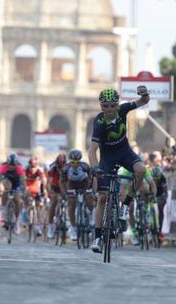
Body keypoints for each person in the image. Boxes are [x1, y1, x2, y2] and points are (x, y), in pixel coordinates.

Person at [88, 85, 150, 253]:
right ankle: (98, 237)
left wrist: (144, 93)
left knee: (141, 170)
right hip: (107, 158)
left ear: (117, 105)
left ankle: (126, 204)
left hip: (125, 153)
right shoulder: (99, 122)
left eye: (112, 105)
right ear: (101, 106)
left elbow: (143, 101)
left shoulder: (123, 110)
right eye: (105, 106)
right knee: (102, 198)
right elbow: (92, 149)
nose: (109, 109)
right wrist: (95, 167)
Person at [60, 149, 94, 241]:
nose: (75, 164)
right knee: (71, 202)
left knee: (89, 198)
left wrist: (91, 190)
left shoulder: (85, 166)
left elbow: (92, 179)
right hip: (71, 185)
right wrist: (64, 192)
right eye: (73, 162)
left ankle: (90, 215)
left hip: (84, 184)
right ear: (70, 161)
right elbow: (62, 182)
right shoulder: (65, 168)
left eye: (77, 162)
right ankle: (73, 227)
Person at [0, 153, 27, 235]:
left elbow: (23, 183)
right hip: (7, 179)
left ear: (16, 164)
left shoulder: (20, 169)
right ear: (7, 163)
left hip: (16, 181)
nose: (12, 167)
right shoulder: (3, 168)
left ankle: (16, 221)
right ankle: (3, 211)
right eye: (10, 165)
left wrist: (24, 192)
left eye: (14, 165)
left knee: (17, 200)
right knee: (6, 189)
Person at [24, 156, 47, 236]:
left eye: (34, 167)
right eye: (31, 167)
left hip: (37, 189)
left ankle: (39, 225)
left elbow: (44, 179)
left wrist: (44, 188)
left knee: (39, 207)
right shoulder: (26, 170)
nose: (32, 169)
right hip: (29, 189)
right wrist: (25, 188)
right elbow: (23, 180)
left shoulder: (39, 170)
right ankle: (28, 218)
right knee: (28, 202)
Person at [46, 154, 66, 239]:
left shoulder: (67, 166)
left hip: (64, 187)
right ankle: (50, 225)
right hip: (55, 187)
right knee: (54, 202)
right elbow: (48, 182)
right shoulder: (53, 167)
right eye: (60, 164)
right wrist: (49, 192)